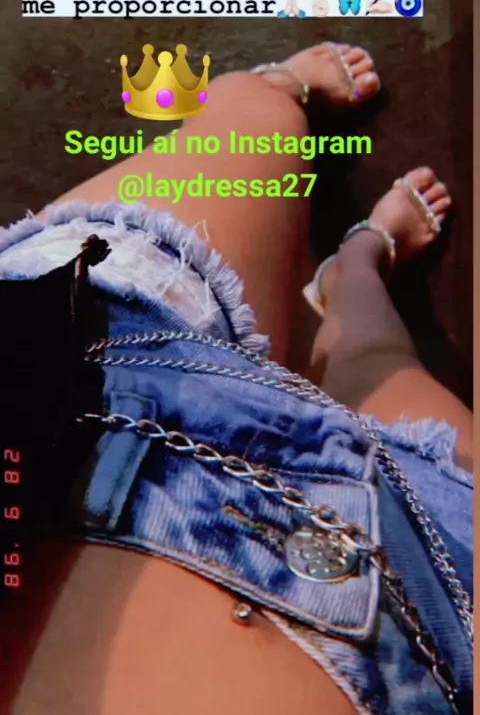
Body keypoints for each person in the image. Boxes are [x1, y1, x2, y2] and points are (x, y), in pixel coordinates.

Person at [0, 42, 472, 715]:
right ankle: (357, 263)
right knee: (383, 366)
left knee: (256, 126)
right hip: (447, 611)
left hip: (98, 376)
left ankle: (275, 89)